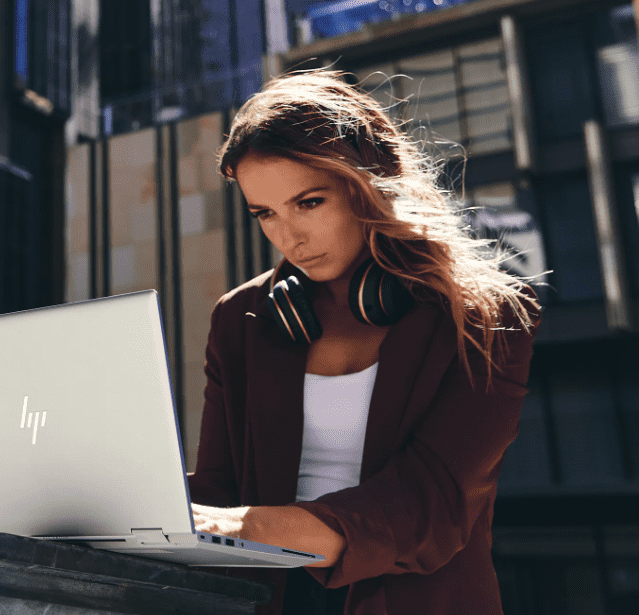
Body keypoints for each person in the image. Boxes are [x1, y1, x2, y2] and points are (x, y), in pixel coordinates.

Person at [185, 70, 540, 615]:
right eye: (264, 213)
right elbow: (215, 489)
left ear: (367, 182)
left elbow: (431, 505)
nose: (288, 237)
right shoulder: (242, 318)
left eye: (309, 202)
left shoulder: (486, 317)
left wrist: (250, 524)